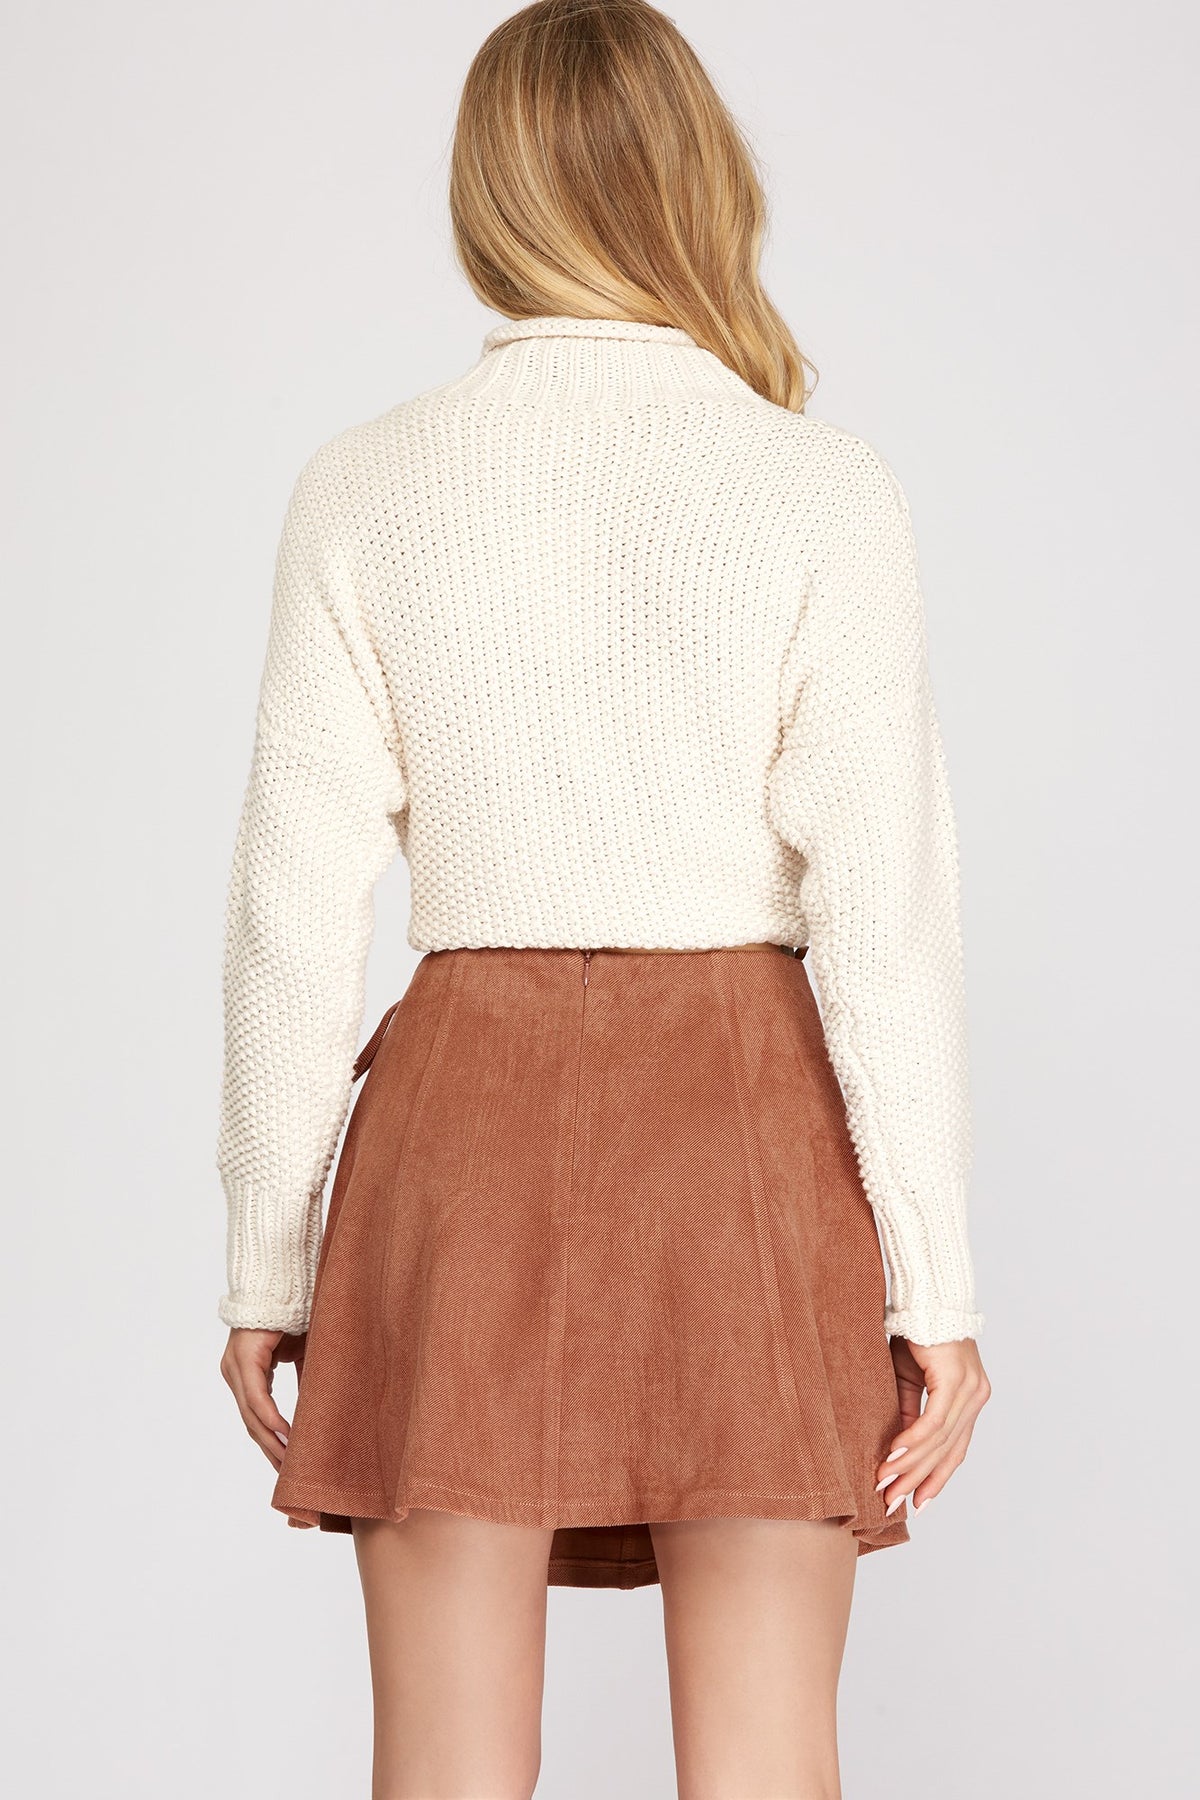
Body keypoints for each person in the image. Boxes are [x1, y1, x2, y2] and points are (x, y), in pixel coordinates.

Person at [216, 2, 991, 1794]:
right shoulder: (821, 490)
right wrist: (935, 1283)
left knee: (443, 1771)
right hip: (742, 1133)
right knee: (769, 1763)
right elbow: (885, 918)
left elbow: (289, 907)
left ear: (488, 193)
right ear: (701, 180)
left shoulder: (364, 484)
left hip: (459, 1134)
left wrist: (267, 1253)